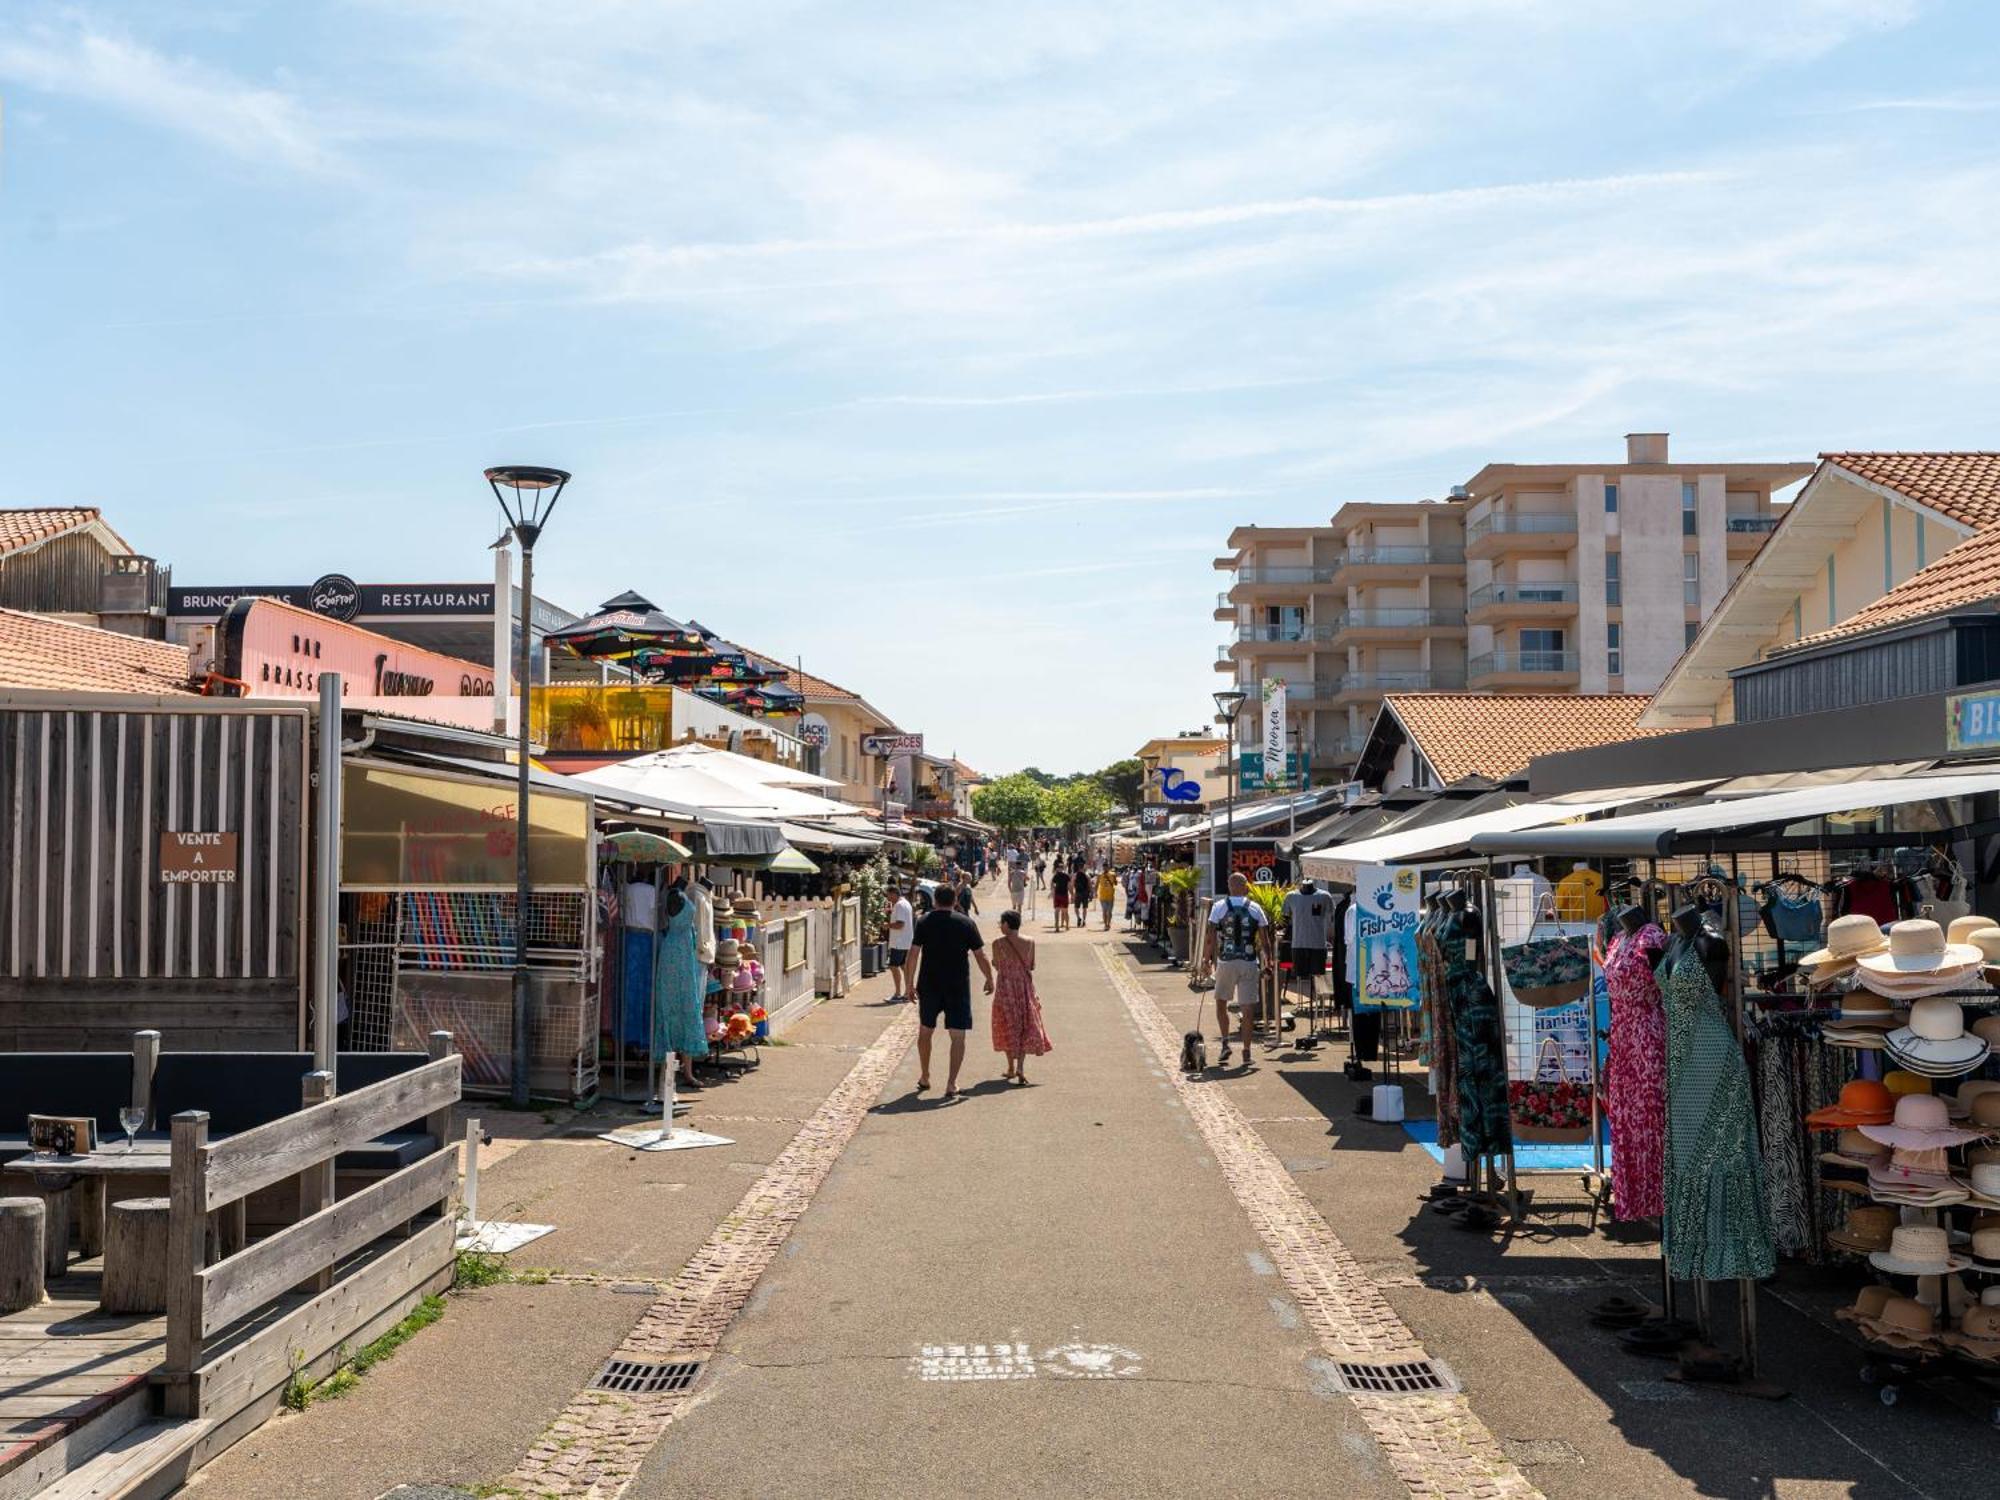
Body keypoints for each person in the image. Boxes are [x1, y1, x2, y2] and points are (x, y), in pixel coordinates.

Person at [906, 883, 993, 1099]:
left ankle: (925, 1075)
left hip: (929, 984)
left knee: (926, 1031)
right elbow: (980, 955)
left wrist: (909, 983)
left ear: (935, 900)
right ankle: (951, 1083)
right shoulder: (966, 923)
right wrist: (990, 978)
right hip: (958, 986)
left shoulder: (924, 922)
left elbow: (914, 954)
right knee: (957, 1036)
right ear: (955, 901)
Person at [1197, 872, 1270, 1068]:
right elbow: (1264, 940)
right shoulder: (1255, 908)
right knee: (1247, 1009)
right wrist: (1268, 963)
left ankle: (1225, 1043)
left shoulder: (1219, 907)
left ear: (1229, 887)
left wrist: (1205, 961)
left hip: (1226, 962)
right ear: (1246, 887)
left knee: (1222, 1003)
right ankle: (1246, 1052)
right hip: (1248, 962)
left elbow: (1210, 937)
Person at [990, 910, 1052, 1084]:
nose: (1000, 926)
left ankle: (1010, 1067)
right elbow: (1031, 966)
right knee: (1025, 1024)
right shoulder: (1030, 942)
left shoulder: (997, 944)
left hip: (1005, 988)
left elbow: (996, 964)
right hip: (1024, 988)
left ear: (1007, 925)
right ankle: (1020, 1068)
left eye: (1001, 923)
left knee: (1006, 1023)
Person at [886, 883, 916, 1001]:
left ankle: (898, 993)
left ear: (894, 894)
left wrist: (887, 925)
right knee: (904, 967)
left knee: (894, 966)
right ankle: (907, 992)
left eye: (889, 895)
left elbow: (900, 924)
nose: (888, 898)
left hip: (899, 942)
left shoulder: (899, 905)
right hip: (905, 941)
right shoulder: (905, 903)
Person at [1096, 864, 1118, 931]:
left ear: (1108, 867)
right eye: (1104, 867)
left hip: (1110, 896)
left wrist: (1114, 878)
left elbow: (1116, 883)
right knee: (1104, 911)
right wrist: (1094, 893)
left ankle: (1108, 923)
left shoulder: (1112, 874)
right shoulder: (1100, 875)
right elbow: (1097, 884)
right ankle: (1106, 925)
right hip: (1102, 896)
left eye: (1106, 867)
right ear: (1103, 868)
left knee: (1109, 912)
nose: (1105, 868)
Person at [1050, 863, 1071, 931]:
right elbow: (1069, 886)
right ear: (1063, 868)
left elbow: (1052, 883)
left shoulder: (1056, 875)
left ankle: (1057, 926)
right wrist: (1072, 894)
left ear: (1058, 868)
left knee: (1057, 911)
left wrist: (1053, 891)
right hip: (1064, 894)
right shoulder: (1066, 876)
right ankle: (1067, 926)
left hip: (1057, 894)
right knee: (1065, 911)